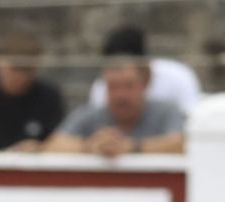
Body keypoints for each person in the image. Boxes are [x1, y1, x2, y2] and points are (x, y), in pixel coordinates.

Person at [47, 58, 185, 157]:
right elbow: (53, 144)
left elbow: (181, 144)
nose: (120, 95)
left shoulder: (167, 111)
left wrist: (132, 147)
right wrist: (90, 146)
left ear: (144, 86)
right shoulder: (89, 114)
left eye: (128, 86)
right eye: (113, 87)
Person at [0, 33, 66, 153]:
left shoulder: (49, 95)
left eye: (27, 69)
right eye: (15, 68)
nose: (21, 76)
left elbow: (62, 141)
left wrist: (40, 149)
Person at [87, 25, 201, 114]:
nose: (121, 95)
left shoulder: (178, 76)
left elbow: (190, 119)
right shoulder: (101, 86)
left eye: (128, 85)